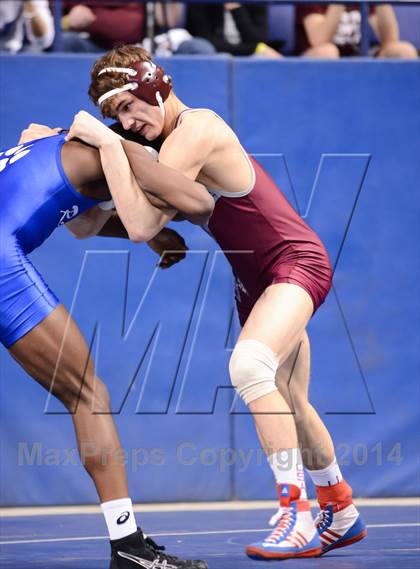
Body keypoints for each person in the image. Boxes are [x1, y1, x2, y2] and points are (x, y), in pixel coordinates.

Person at [58, 44, 367, 560]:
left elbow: (140, 223)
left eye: (132, 105)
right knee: (292, 399)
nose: (130, 122)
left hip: (294, 262)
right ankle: (340, 505)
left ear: (157, 85)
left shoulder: (196, 129)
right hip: (257, 280)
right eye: (117, 117)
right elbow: (91, 224)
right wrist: (66, 171)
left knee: (249, 366)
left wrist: (104, 148)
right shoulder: (162, 152)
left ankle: (296, 517)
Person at [1, 101, 214, 566]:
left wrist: (152, 234)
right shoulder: (123, 152)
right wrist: (162, 214)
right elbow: (197, 203)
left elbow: (81, 222)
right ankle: (128, 545)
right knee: (86, 394)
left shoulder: (52, 143)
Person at [296, 2, 418, 58]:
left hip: (359, 56)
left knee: (403, 51)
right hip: (319, 59)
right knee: (327, 52)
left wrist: (382, 2)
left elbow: (390, 40)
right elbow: (319, 39)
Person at [185, 2, 282, 58]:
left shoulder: (255, 3)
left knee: (265, 59)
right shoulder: (201, 4)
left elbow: (259, 39)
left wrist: (236, 9)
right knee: (220, 59)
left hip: (249, 55)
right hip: (216, 56)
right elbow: (206, 42)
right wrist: (253, 48)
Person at [60, 2, 144, 53]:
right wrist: (67, 21)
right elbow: (49, 25)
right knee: (64, 40)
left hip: (133, 49)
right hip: (89, 45)